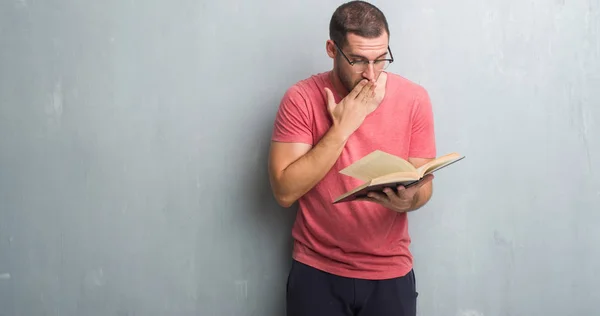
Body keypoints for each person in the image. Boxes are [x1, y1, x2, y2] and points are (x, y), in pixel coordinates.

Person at [267, 1, 437, 315]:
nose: (371, 74)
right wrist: (343, 127)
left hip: (391, 272)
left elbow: (424, 186)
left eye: (380, 59)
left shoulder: (414, 98)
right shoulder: (301, 98)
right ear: (332, 49)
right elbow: (284, 192)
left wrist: (409, 200)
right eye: (358, 60)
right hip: (317, 270)